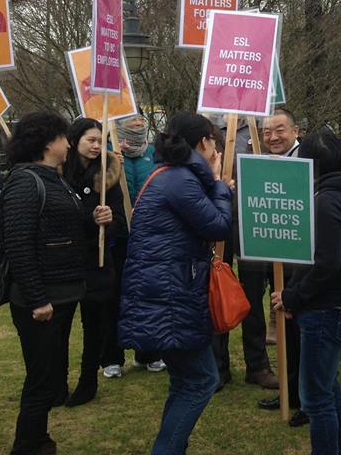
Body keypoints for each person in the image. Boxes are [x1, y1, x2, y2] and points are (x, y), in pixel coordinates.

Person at [119, 112, 233, 455]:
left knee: (184, 381)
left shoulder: (171, 175)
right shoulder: (180, 180)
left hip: (167, 292)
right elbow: (217, 227)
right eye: (214, 140)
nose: (217, 147)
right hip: (170, 297)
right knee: (202, 380)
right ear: (203, 143)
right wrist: (221, 188)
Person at [1, 111, 113, 455]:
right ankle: (29, 444)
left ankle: (39, 440)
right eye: (64, 138)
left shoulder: (54, 178)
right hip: (42, 301)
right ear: (48, 143)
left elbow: (65, 224)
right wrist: (37, 299)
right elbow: (19, 244)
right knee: (41, 380)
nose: (68, 144)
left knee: (46, 378)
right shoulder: (25, 181)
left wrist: (93, 218)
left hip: (62, 293)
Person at [271, 127, 341, 455]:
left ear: (310, 165)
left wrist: (293, 296)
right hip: (335, 307)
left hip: (325, 310)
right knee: (327, 386)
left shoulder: (327, 202)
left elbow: (325, 264)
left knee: (315, 398)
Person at [59, 118, 127, 407]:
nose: (97, 145)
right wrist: (88, 218)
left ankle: (89, 381)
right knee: (60, 327)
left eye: (101, 140)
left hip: (97, 263)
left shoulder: (109, 174)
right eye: (91, 140)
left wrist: (108, 222)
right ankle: (56, 384)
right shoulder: (58, 173)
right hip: (64, 263)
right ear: (74, 141)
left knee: (94, 325)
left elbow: (121, 223)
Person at [211, 114, 279, 393]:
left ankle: (258, 365)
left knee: (252, 294)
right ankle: (218, 366)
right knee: (217, 290)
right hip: (218, 219)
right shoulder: (210, 129)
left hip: (253, 221)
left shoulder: (260, 126)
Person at [256, 108, 308, 426]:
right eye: (266, 131)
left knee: (301, 333)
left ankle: (304, 397)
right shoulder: (261, 163)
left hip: (299, 263)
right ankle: (289, 391)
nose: (272, 137)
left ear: (295, 130)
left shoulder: (306, 159)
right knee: (286, 332)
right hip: (274, 257)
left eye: (279, 130)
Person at [115, 112, 165, 373]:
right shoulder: (110, 151)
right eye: (132, 120)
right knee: (117, 294)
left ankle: (149, 352)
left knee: (148, 292)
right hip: (118, 235)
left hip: (148, 234)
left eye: (140, 121)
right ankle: (113, 356)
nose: (138, 124)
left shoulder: (153, 152)